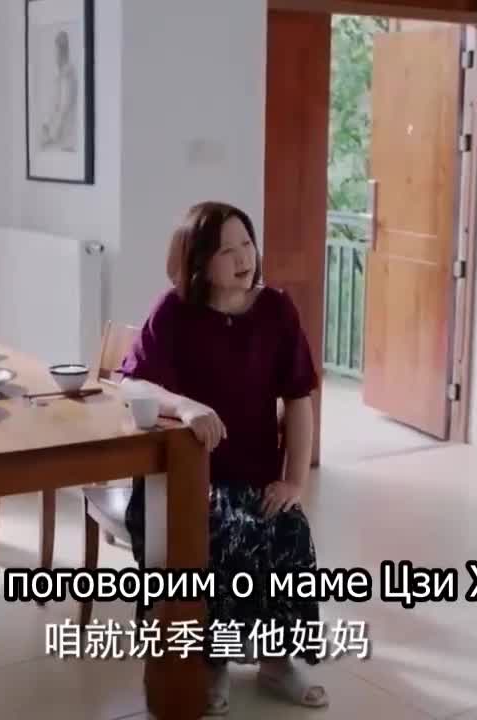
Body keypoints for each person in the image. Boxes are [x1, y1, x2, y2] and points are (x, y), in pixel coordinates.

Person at [118, 201, 329, 714]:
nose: (243, 258)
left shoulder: (276, 310)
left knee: (288, 529)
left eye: (247, 244)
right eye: (226, 250)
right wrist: (185, 406)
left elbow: (298, 399)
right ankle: (211, 661)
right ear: (198, 261)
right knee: (226, 529)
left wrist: (294, 482)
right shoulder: (174, 311)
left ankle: (276, 662)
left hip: (256, 474)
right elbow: (130, 382)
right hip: (184, 481)